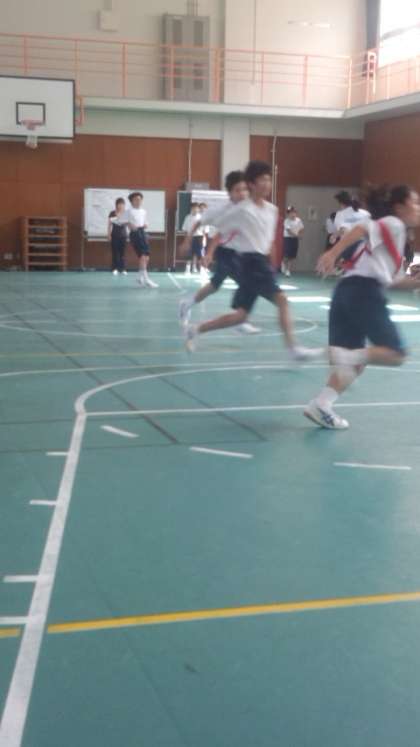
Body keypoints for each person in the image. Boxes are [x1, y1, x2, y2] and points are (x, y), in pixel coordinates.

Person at [304, 184, 420, 431]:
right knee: (395, 353)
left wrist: (415, 282)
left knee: (356, 363)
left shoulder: (393, 241)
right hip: (363, 292)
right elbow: (361, 228)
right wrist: (333, 253)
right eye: (415, 203)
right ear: (400, 207)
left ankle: (322, 404)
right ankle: (343, 356)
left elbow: (393, 280)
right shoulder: (394, 223)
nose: (419, 208)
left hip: (345, 292)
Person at [183, 160, 324, 361]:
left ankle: (195, 329)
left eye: (269, 179)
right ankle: (294, 349)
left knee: (240, 316)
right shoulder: (241, 210)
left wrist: (272, 261)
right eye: (262, 180)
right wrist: (190, 241)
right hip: (250, 263)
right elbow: (214, 227)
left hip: (261, 263)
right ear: (252, 184)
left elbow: (269, 241)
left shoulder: (272, 210)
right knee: (282, 301)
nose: (267, 184)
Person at [178, 170, 260, 335]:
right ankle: (240, 319)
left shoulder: (249, 208)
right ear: (230, 193)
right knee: (245, 283)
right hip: (226, 252)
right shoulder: (222, 211)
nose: (242, 193)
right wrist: (190, 242)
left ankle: (187, 303)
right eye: (237, 190)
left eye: (245, 189)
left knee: (215, 286)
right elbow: (204, 227)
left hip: (241, 254)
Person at [125, 192, 158, 289]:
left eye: (140, 199)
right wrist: (129, 224)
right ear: (132, 201)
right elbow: (121, 220)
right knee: (143, 256)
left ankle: (140, 277)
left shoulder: (143, 211)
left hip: (142, 232)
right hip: (135, 234)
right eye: (136, 199)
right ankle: (146, 279)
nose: (138, 201)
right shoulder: (128, 211)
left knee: (146, 257)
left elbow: (145, 222)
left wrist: (146, 224)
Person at [333, 191, 371, 265]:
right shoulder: (366, 213)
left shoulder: (341, 214)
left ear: (341, 203)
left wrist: (334, 236)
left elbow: (342, 230)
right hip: (365, 246)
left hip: (348, 246)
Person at [181, 203, 204, 274]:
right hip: (190, 237)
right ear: (191, 209)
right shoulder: (187, 217)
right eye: (193, 208)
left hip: (199, 236)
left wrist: (204, 238)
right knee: (189, 253)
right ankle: (187, 269)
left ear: (198, 209)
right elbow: (185, 229)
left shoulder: (201, 217)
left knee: (199, 253)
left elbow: (205, 229)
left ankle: (201, 268)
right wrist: (186, 239)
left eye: (196, 208)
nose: (195, 209)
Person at [107, 197, 128, 276]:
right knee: (115, 253)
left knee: (122, 253)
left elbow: (127, 223)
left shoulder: (126, 213)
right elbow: (109, 225)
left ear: (124, 205)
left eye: (122, 204)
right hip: (114, 235)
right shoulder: (112, 213)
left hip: (123, 235)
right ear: (116, 205)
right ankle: (114, 268)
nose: (120, 206)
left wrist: (122, 219)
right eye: (119, 204)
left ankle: (122, 269)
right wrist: (109, 234)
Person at [282, 206, 304, 276]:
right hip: (288, 239)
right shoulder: (286, 221)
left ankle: (288, 270)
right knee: (287, 255)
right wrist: (297, 236)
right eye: (289, 213)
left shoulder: (299, 220)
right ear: (288, 214)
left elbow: (301, 228)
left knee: (292, 256)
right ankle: (283, 263)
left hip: (295, 239)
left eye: (292, 212)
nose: (291, 214)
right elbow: (289, 231)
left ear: (295, 212)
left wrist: (300, 234)